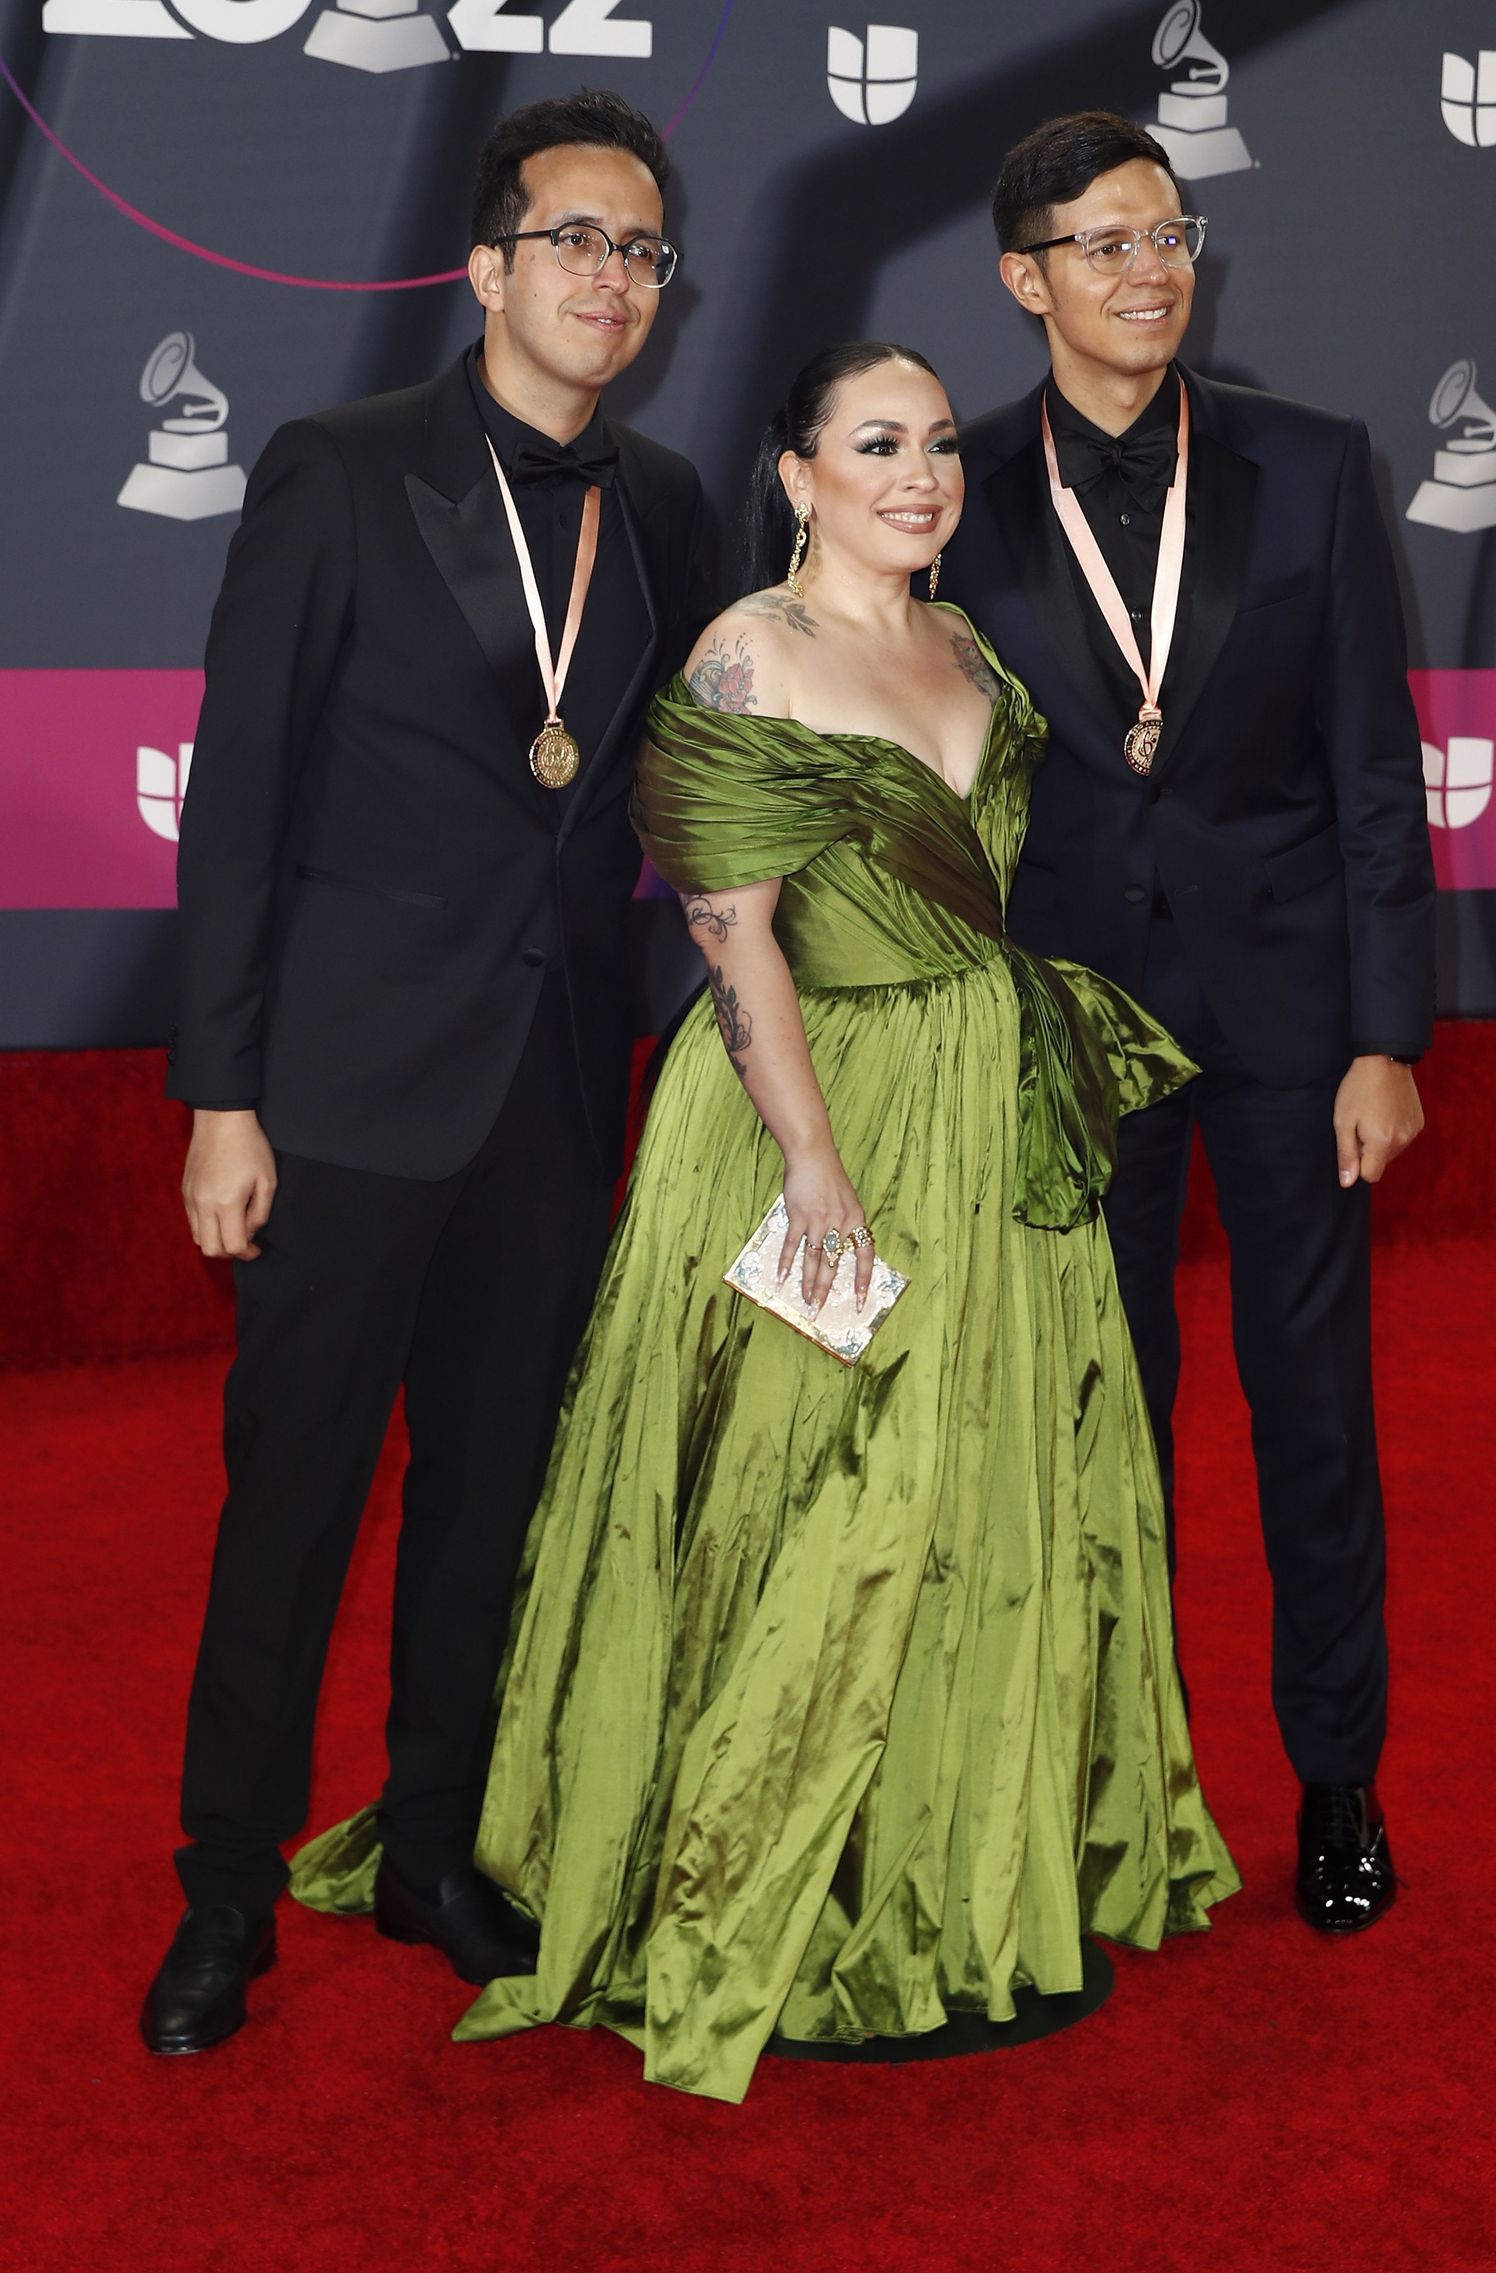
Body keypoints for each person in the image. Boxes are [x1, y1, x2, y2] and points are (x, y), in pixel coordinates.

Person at [290, 341, 1237, 2104]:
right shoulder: (749, 651)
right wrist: (812, 1161)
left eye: (939, 442)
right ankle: (754, 1880)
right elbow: (734, 939)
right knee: (816, 1499)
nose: (922, 472)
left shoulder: (965, 647)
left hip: (983, 1108)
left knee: (968, 1489)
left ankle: (935, 1864)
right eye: (876, 443)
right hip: (815, 1112)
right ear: (797, 475)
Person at [140, 91, 716, 2057]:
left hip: (552, 1097)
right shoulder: (340, 468)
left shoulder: (667, 505)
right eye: (573, 239)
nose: (609, 278)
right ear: (485, 267)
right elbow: (239, 802)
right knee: (291, 1503)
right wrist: (221, 1097)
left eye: (640, 251)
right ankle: (226, 1891)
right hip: (341, 1091)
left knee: (493, 1499)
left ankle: (432, 1847)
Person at [938, 112, 1434, 1934]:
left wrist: (1386, 1036)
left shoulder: (1312, 462)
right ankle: (1110, 1781)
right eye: (1107, 243)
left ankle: (1337, 1775)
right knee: (1093, 1412)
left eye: (1170, 235)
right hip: (1067, 1018)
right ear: (1027, 279)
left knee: (1315, 1410)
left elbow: (1372, 768)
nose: (1152, 271)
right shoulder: (954, 491)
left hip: (1294, 1018)